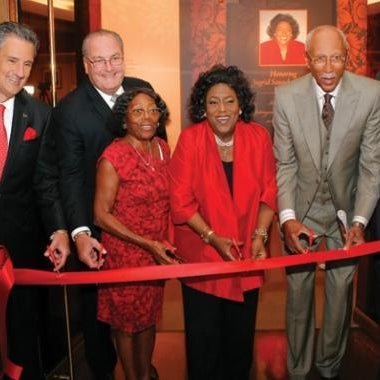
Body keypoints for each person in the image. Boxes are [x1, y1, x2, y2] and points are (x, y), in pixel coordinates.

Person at [273, 25, 380, 380]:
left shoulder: (371, 94)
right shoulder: (286, 97)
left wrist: (360, 222)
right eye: (320, 58)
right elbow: (285, 164)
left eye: (337, 57)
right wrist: (288, 220)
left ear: (347, 58)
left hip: (346, 214)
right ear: (307, 60)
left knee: (339, 296)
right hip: (301, 211)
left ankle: (330, 367)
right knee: (299, 295)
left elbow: (371, 165)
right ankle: (298, 369)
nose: (329, 67)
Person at [51, 30, 155, 380]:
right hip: (98, 232)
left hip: (144, 230)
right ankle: (104, 372)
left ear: (124, 58)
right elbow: (70, 176)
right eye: (98, 60)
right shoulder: (69, 110)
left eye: (115, 58)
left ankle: (141, 368)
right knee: (99, 315)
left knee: (143, 306)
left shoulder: (143, 89)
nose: (109, 67)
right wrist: (80, 232)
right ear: (85, 65)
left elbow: (160, 151)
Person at [169, 64, 277, 380]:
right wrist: (213, 237)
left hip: (245, 256)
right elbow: (180, 201)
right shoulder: (190, 140)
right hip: (203, 259)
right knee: (204, 349)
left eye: (229, 101)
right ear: (202, 108)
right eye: (213, 102)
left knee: (239, 345)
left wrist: (259, 235)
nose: (222, 109)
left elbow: (270, 191)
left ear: (241, 104)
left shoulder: (258, 137)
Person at [0, 22, 69, 380]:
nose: (19, 72)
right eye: (12, 60)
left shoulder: (40, 115)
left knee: (23, 340)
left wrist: (58, 228)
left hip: (20, 250)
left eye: (27, 64)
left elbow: (45, 181)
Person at [94, 87, 176, 380]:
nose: (147, 117)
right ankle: (133, 376)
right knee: (126, 325)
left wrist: (161, 243)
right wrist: (147, 243)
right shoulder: (113, 156)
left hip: (155, 255)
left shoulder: (163, 149)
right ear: (124, 118)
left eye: (153, 110)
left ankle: (144, 372)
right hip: (124, 255)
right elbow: (101, 215)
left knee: (148, 318)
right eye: (138, 110)